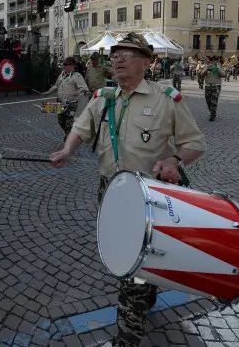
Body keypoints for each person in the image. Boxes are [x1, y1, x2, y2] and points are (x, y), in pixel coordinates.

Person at [48, 32, 205, 346]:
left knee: (131, 268)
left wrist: (175, 159)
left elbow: (195, 143)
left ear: (146, 62)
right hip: (109, 190)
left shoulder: (166, 98)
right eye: (114, 54)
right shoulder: (103, 97)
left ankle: (128, 336)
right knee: (132, 256)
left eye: (127, 54)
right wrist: (67, 149)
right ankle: (150, 284)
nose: (117, 59)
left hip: (150, 195)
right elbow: (80, 129)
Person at [42, 56, 89, 136]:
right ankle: (68, 135)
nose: (63, 66)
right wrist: (48, 92)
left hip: (71, 104)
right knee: (60, 120)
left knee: (69, 123)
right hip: (60, 102)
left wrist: (78, 92)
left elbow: (84, 88)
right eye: (63, 64)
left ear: (72, 66)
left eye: (65, 64)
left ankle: (70, 139)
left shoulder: (77, 76)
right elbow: (56, 86)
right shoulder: (62, 75)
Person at [203, 57, 225, 121]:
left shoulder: (219, 68)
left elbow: (224, 75)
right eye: (212, 61)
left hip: (216, 87)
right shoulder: (207, 67)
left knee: (214, 101)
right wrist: (207, 69)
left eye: (215, 61)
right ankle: (212, 111)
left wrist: (218, 68)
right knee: (208, 101)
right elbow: (201, 74)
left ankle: (212, 115)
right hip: (208, 86)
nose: (214, 62)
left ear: (217, 61)